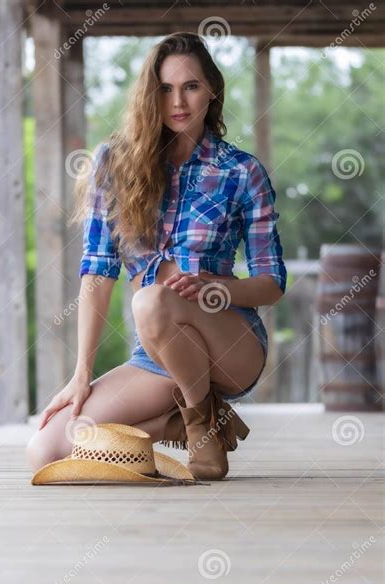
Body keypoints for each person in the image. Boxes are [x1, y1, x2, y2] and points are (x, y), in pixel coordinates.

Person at [27, 31, 287, 480]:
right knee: (48, 450)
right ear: (150, 94)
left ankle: (203, 428)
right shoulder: (115, 163)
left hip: (229, 341)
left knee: (150, 298)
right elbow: (97, 271)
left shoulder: (241, 172)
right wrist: (80, 374)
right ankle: (181, 421)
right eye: (165, 88)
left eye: (191, 86)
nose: (178, 101)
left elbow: (272, 283)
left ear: (212, 91)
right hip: (159, 353)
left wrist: (216, 288)